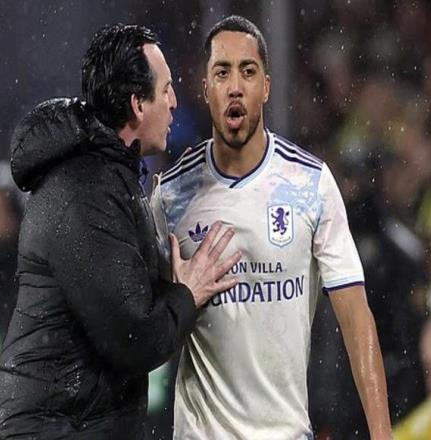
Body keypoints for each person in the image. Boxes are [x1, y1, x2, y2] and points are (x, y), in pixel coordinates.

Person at [0, 24, 240, 440]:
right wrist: (188, 293)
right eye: (166, 89)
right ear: (137, 104)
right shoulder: (86, 192)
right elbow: (134, 338)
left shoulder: (105, 177)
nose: (174, 102)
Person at [151, 15, 392, 439]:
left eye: (248, 71)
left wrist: (382, 435)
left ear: (266, 86)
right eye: (222, 73)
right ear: (205, 88)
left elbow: (357, 319)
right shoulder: (171, 197)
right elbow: (139, 327)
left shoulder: (311, 185)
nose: (235, 86)